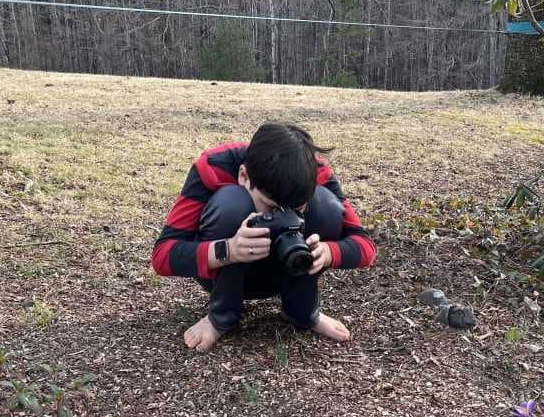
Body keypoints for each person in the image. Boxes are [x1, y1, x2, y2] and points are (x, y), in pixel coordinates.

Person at [151, 123, 376, 352]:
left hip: (287, 267)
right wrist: (228, 250)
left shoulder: (312, 170)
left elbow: (365, 247)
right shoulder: (213, 165)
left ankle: (300, 310)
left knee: (326, 206)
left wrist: (327, 253)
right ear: (243, 175)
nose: (283, 218)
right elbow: (162, 255)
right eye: (271, 207)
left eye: (296, 208)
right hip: (222, 271)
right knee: (232, 204)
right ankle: (220, 316)